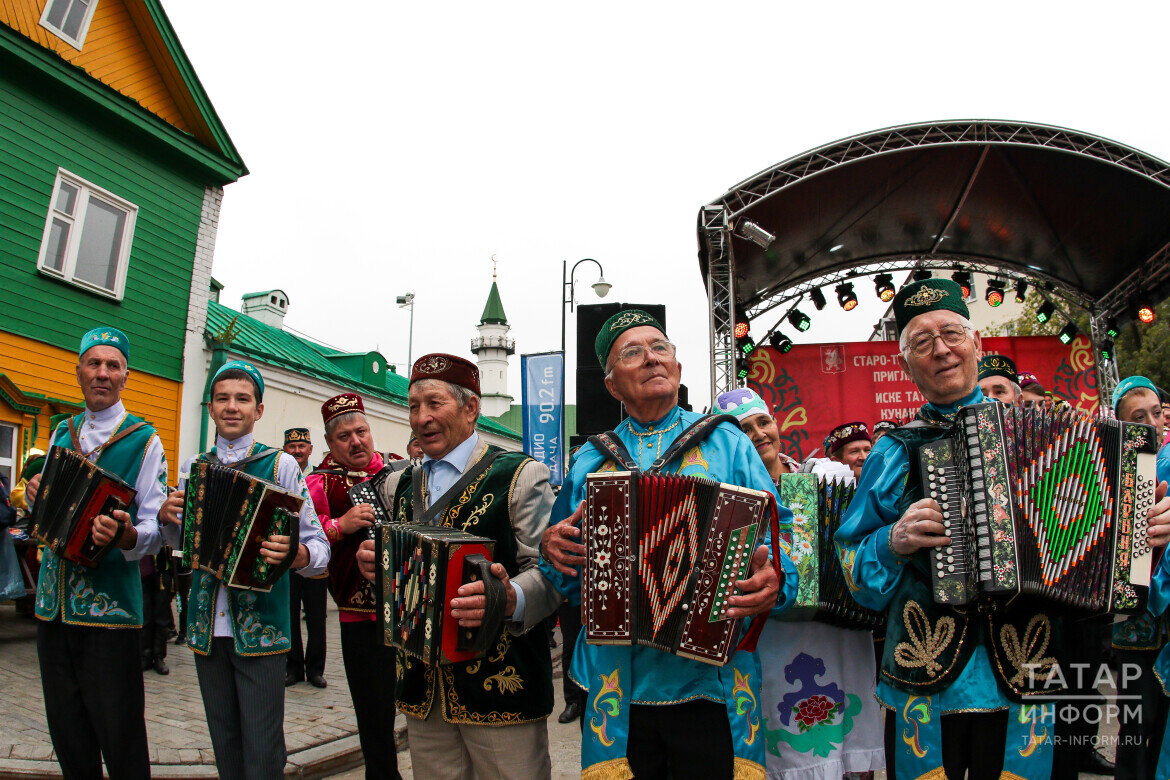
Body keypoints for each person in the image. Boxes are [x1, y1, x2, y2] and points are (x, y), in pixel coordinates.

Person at [834, 279, 1170, 779]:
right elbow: (849, 564)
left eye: (951, 333)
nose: (942, 349)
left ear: (977, 344)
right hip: (927, 675)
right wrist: (892, 540)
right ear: (904, 365)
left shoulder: (1040, 438)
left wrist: (1145, 536)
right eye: (922, 342)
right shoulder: (894, 448)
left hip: (1028, 665)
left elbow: (1113, 557)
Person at [538, 310, 796, 779]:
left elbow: (782, 531)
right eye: (632, 354)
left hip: (712, 681)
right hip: (620, 686)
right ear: (612, 385)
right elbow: (564, 573)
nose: (652, 359)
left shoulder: (726, 443)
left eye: (661, 348)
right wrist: (552, 549)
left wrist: (776, 576)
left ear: (677, 367)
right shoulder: (590, 460)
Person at [354, 353, 557, 780]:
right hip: (423, 693)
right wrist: (377, 565)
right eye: (413, 406)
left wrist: (506, 597)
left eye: (434, 403)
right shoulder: (398, 483)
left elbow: (552, 574)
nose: (421, 417)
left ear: (471, 408)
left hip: (502, 688)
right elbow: (402, 576)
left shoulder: (520, 475)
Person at [159, 361, 329, 780]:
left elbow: (318, 546)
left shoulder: (281, 467)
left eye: (242, 399)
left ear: (259, 410)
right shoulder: (194, 468)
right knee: (225, 743)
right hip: (205, 627)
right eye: (223, 398)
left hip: (262, 627)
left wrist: (297, 555)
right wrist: (165, 518)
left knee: (263, 746)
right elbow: (179, 545)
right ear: (212, 408)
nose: (232, 407)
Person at [716, 388, 883, 780]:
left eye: (763, 422)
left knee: (848, 754)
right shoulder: (729, 494)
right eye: (744, 429)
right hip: (771, 638)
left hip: (837, 634)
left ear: (776, 424)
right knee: (785, 752)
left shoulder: (828, 476)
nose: (758, 434)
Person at [25, 327, 168, 779]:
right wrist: (34, 493)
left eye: (113, 366)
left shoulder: (144, 439)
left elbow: (156, 526)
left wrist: (128, 536)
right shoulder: (61, 432)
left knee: (121, 736)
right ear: (79, 371)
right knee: (68, 733)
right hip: (52, 608)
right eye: (94, 363)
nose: (102, 373)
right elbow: (48, 508)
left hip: (110, 613)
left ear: (126, 376)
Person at [305, 395, 401, 779]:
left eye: (362, 431)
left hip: (410, 607)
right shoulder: (318, 483)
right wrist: (339, 526)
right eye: (344, 436)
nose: (356, 442)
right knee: (373, 710)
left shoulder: (400, 473)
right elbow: (305, 540)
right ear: (330, 444)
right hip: (358, 615)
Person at [1114, 376, 1170, 780]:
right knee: (1136, 724)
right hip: (1134, 622)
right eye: (1139, 417)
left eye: (1157, 412)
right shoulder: (1111, 469)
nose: (1153, 422)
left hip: (1166, 618)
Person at [282, 427, 329, 691]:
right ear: (286, 449)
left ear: (310, 450)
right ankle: (293, 668)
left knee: (316, 617)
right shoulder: (281, 475)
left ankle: (315, 670)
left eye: (302, 447)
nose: (297, 451)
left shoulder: (320, 479)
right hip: (288, 558)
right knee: (289, 615)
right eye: (292, 447)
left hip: (314, 557)